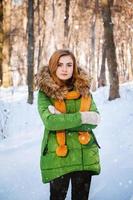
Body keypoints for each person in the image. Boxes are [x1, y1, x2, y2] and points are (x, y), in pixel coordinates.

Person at [37, 49, 101, 200]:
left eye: (69, 64)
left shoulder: (84, 89)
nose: (65, 69)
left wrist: (63, 119)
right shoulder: (45, 92)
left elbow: (95, 120)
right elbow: (51, 122)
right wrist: (83, 117)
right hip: (58, 156)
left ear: (74, 67)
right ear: (53, 66)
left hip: (84, 153)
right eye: (60, 64)